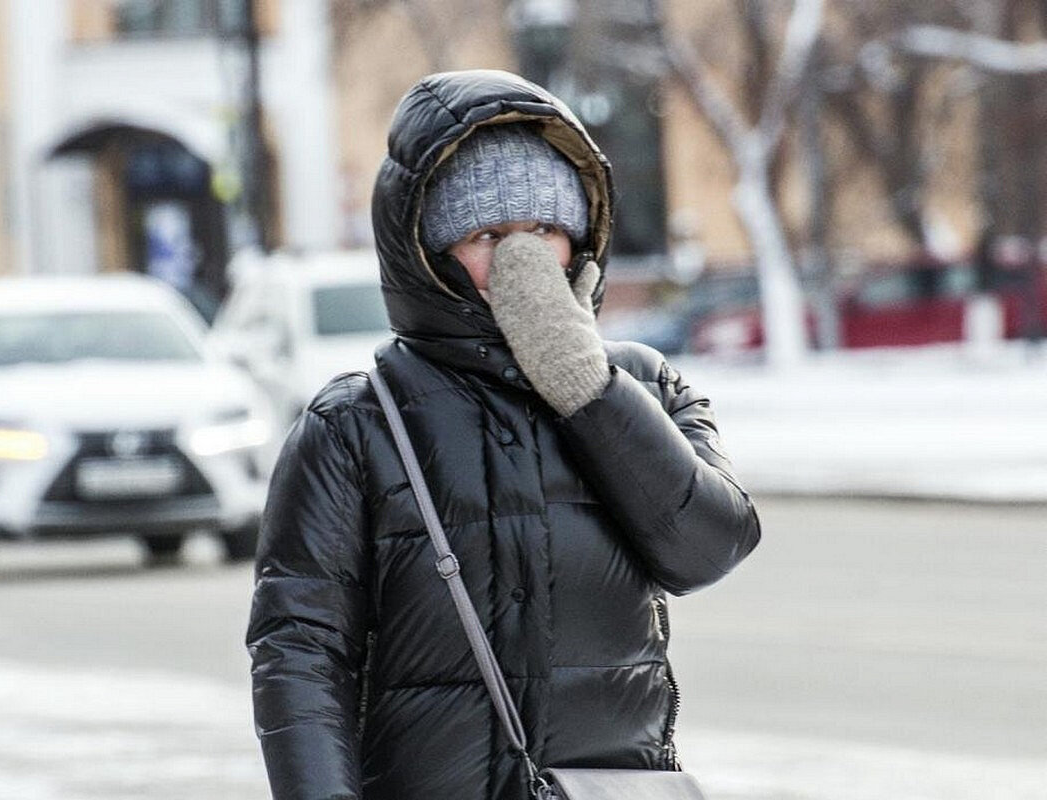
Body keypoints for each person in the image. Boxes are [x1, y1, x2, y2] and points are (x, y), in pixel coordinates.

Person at [247, 69, 761, 800]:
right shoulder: (354, 426)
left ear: (581, 239)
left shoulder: (642, 386)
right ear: (427, 251)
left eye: (545, 231)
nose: (523, 265)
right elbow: (300, 656)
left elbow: (708, 548)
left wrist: (589, 389)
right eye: (489, 236)